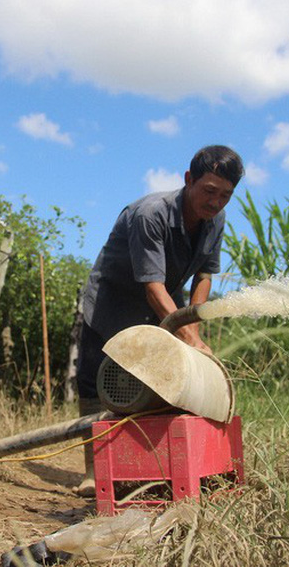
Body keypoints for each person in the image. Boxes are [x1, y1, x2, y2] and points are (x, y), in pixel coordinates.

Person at [74, 145, 244, 497]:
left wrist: (192, 331)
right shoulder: (150, 214)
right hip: (113, 301)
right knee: (98, 385)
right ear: (188, 180)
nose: (215, 202)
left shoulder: (216, 220)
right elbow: (151, 286)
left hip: (164, 301)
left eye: (225, 195)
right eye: (209, 191)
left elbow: (204, 277)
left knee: (165, 380)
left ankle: (157, 468)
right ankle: (95, 471)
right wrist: (186, 333)